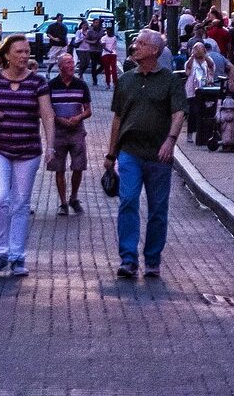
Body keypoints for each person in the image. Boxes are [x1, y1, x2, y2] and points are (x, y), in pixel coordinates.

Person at [105, 29, 186, 279]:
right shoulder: (126, 80)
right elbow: (117, 118)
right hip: (130, 151)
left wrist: (170, 141)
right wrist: (111, 154)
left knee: (158, 209)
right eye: (135, 42)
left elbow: (178, 113)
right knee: (128, 200)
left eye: (140, 43)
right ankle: (128, 259)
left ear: (154, 50)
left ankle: (152, 259)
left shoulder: (170, 80)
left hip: (159, 155)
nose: (134, 46)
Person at [0, 34, 54, 278]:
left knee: (21, 203)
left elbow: (47, 114)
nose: (24, 56)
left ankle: (17, 256)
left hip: (28, 150)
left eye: (27, 51)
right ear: (7, 55)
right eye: (19, 51)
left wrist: (51, 145)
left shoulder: (38, 82)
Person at [47, 51, 92, 215]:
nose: (72, 66)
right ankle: (63, 202)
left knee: (78, 166)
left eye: (72, 63)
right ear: (60, 67)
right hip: (58, 131)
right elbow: (46, 109)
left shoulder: (81, 85)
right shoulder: (51, 85)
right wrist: (58, 119)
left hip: (76, 131)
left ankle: (74, 197)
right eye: (68, 63)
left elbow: (88, 110)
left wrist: (78, 117)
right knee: (59, 167)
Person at [77, 19, 103, 86]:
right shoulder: (90, 31)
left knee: (103, 64)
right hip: (92, 50)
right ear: (93, 23)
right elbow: (86, 40)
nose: (96, 24)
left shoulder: (102, 30)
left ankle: (95, 74)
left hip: (100, 50)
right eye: (95, 22)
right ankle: (94, 80)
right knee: (93, 65)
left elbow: (104, 38)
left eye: (98, 22)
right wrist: (92, 42)